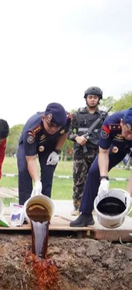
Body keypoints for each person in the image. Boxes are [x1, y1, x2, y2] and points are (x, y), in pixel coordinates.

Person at [70, 107, 132, 227]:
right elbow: (103, 152)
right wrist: (104, 178)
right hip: (116, 145)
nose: (130, 136)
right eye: (128, 131)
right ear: (121, 123)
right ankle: (86, 215)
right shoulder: (110, 123)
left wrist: (128, 194)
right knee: (94, 171)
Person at [17, 103, 71, 206]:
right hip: (29, 143)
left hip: (50, 143)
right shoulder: (31, 131)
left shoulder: (67, 119)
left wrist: (56, 151)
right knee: (24, 170)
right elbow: (31, 159)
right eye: (50, 125)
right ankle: (24, 208)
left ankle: (44, 209)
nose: (53, 129)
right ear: (43, 118)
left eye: (57, 127)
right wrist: (37, 181)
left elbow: (65, 133)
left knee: (48, 171)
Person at [68, 87, 108, 215]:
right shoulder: (77, 115)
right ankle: (77, 207)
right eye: (90, 97)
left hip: (97, 152)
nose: (92, 100)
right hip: (80, 152)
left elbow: (109, 133)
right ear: (86, 98)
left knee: (95, 179)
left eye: (95, 97)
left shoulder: (103, 116)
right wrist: (76, 138)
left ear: (99, 99)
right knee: (79, 179)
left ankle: (92, 207)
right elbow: (67, 132)